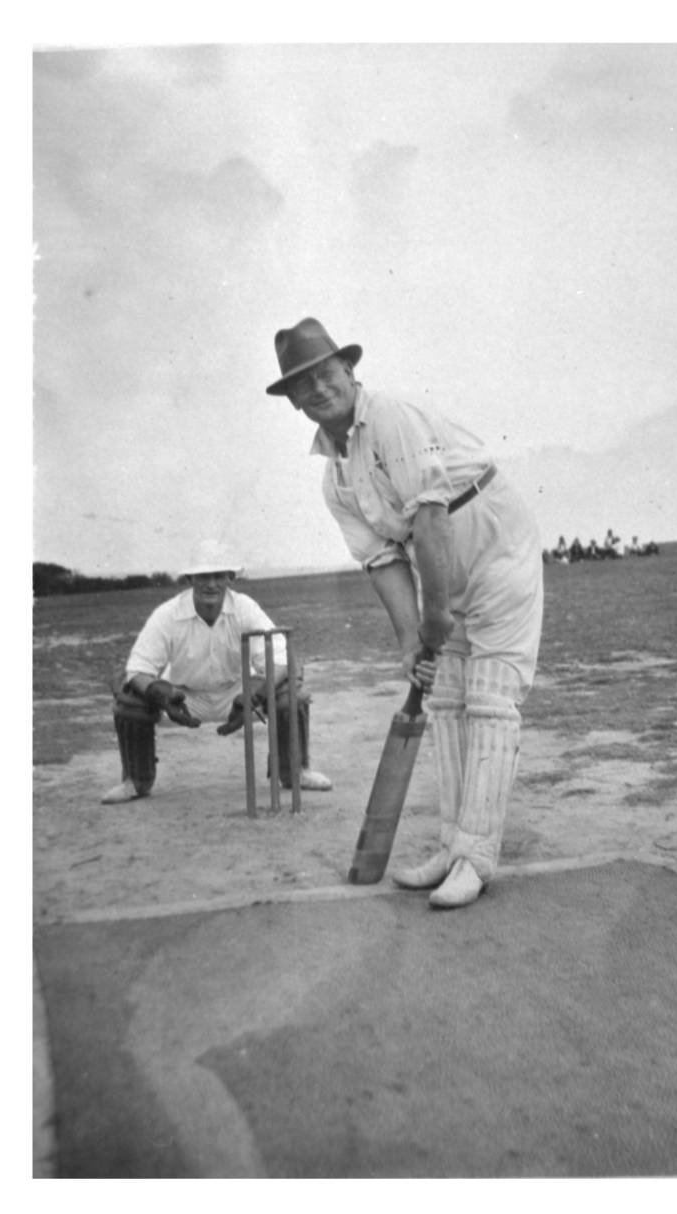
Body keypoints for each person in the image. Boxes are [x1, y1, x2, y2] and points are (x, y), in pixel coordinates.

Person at [265, 317, 544, 909]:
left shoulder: (389, 417)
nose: (318, 388)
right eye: (302, 384)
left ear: (349, 370)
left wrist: (435, 612)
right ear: (292, 401)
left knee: (490, 700)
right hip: (437, 559)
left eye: (326, 373)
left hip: (494, 543)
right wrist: (410, 640)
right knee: (444, 700)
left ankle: (476, 859)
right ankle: (451, 845)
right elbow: (383, 562)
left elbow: (433, 515)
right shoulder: (333, 480)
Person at [101, 540, 332, 804]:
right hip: (184, 697)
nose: (211, 584)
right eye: (203, 576)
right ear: (190, 578)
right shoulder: (167, 614)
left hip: (238, 694)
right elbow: (137, 669)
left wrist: (255, 695)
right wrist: (163, 695)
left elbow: (281, 660)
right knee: (130, 697)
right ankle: (136, 781)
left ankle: (295, 772)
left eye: (218, 576)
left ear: (230, 578)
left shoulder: (244, 607)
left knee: (292, 691)